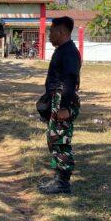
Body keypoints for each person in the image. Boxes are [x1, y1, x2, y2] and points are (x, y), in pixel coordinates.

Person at [38, 16, 81, 195]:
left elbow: (70, 79)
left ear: (61, 32)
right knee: (55, 139)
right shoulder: (63, 50)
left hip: (63, 100)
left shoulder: (69, 51)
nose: (49, 35)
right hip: (58, 99)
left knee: (61, 141)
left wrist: (63, 107)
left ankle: (63, 183)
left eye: (52, 31)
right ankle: (59, 179)